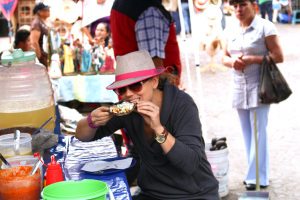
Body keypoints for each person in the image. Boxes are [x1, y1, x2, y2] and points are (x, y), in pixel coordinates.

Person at [76, 50, 219, 200]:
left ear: (154, 82)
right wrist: (91, 121)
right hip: (152, 193)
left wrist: (158, 128)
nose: (129, 94)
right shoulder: (127, 109)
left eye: (136, 85)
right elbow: (83, 137)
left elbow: (190, 163)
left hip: (193, 194)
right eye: (122, 89)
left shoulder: (182, 105)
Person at [222, 0, 283, 191]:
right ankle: (259, 174)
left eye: (243, 4)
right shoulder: (230, 30)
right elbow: (223, 57)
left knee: (259, 133)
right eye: (235, 5)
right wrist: (232, 62)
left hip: (260, 86)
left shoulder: (265, 27)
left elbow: (278, 56)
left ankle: (255, 177)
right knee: (248, 134)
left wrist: (253, 59)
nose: (239, 9)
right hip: (239, 87)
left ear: (253, 5)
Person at [110, 0, 182, 86]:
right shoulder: (149, 9)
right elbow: (154, 65)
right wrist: (169, 90)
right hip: (148, 91)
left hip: (132, 86)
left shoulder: (123, 4)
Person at [30, 2, 50, 67]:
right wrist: (39, 57)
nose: (48, 12)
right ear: (40, 12)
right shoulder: (36, 23)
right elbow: (34, 42)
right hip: (40, 56)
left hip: (44, 55)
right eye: (46, 10)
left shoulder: (41, 22)